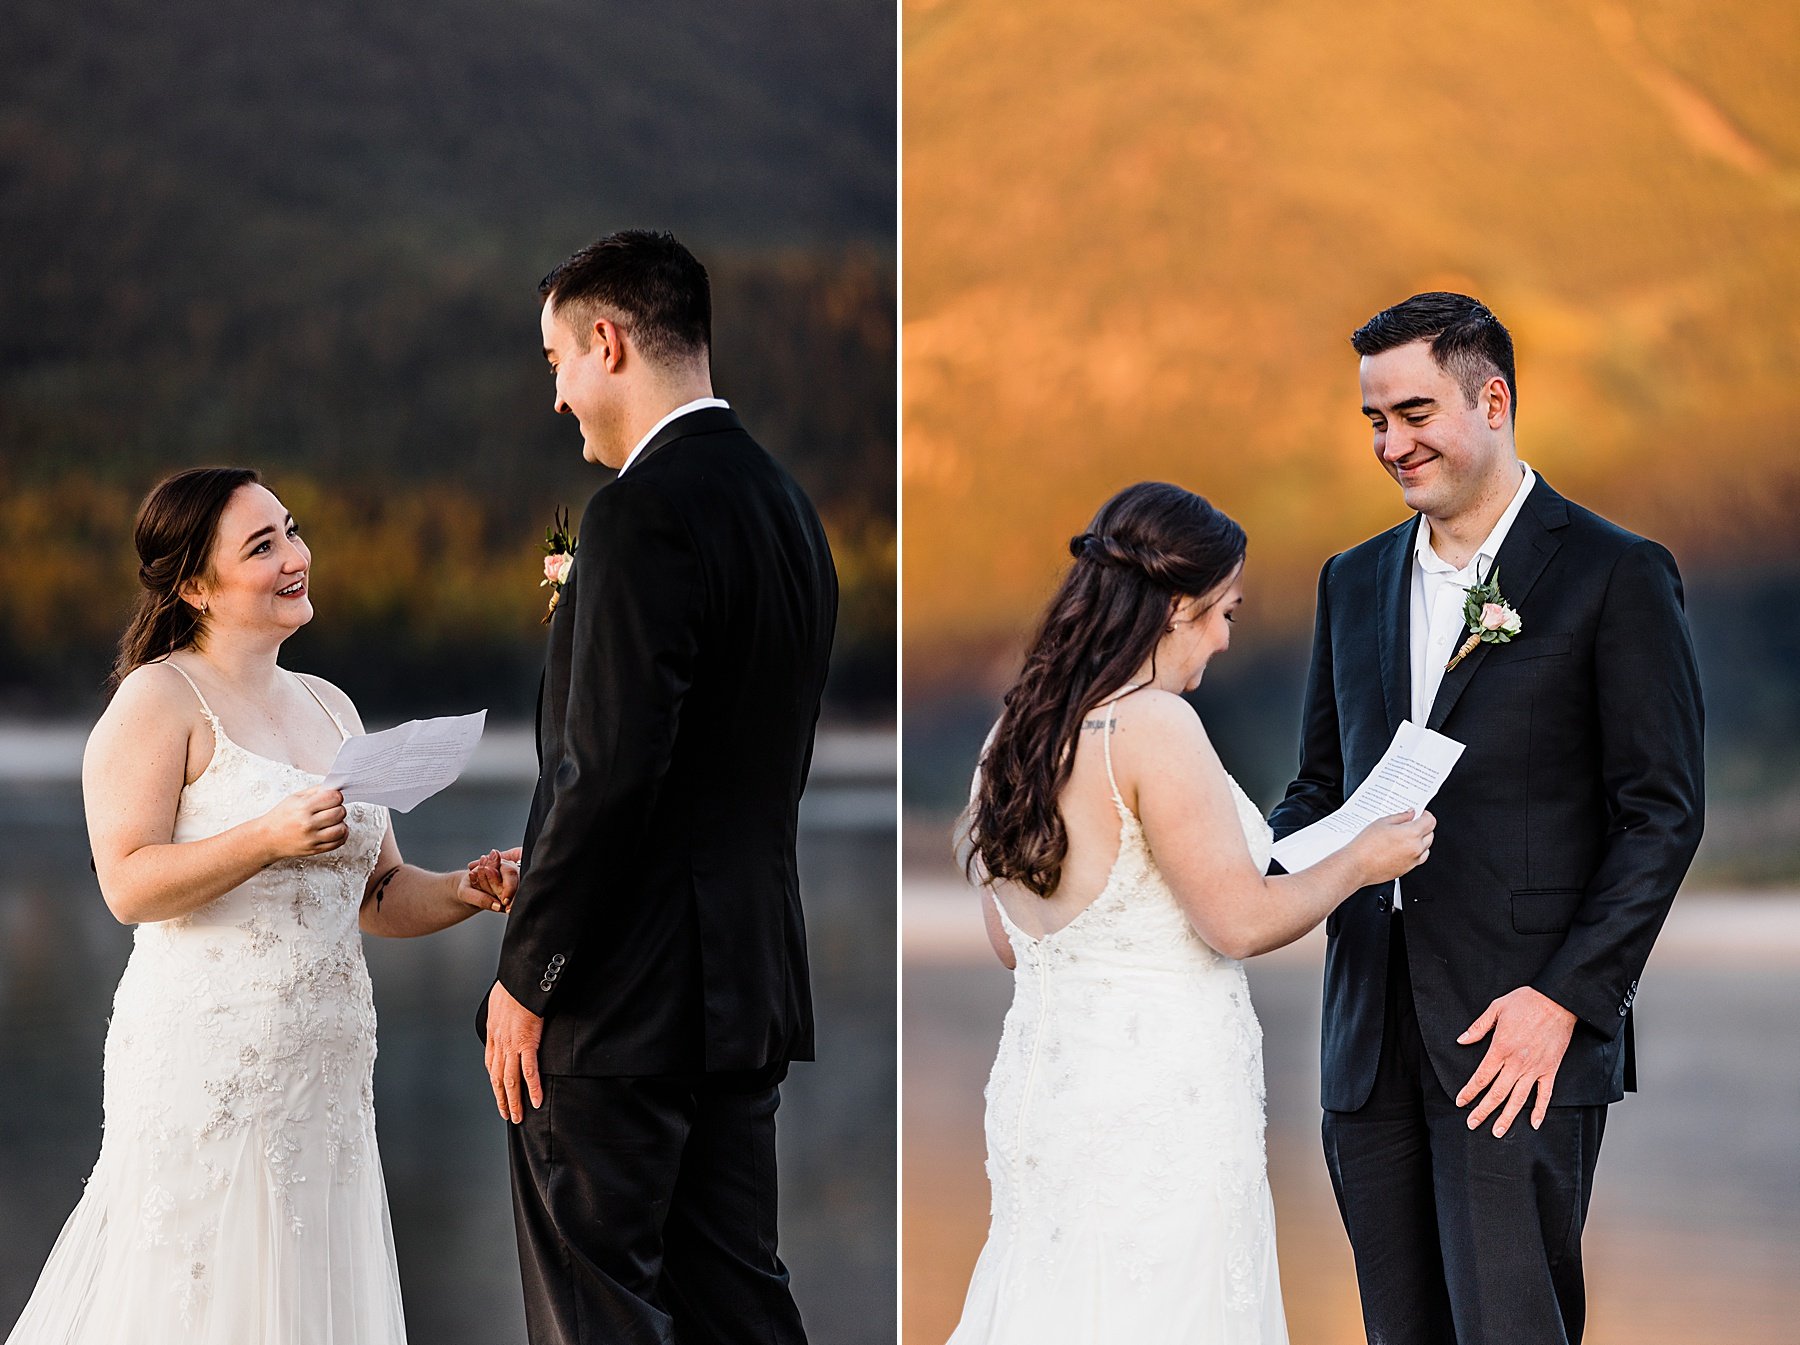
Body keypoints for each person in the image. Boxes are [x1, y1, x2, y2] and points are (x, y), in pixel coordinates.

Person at [1269, 292, 1705, 1345]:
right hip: (1366, 1039)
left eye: (1413, 413)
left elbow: (1662, 814)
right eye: (1374, 419)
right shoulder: (1351, 581)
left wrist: (1563, 1001)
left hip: (1519, 1043)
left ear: (1494, 399)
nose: (1391, 443)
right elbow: (1318, 787)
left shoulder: (1615, 572)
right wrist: (1249, 869)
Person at [4, 466, 515, 1345]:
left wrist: (467, 890)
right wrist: (266, 839)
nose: (296, 556)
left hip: (326, 1083)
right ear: (195, 585)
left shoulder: (332, 704)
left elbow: (379, 893)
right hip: (209, 1069)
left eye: (292, 530)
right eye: (263, 544)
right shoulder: (159, 699)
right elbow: (126, 884)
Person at [946, 482, 1434, 1344]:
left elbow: (1014, 943)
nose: (1222, 639)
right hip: (1159, 1107)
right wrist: (1363, 860)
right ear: (1176, 606)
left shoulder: (1013, 736)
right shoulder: (1153, 726)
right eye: (1224, 613)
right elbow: (1238, 923)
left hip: (1046, 1097)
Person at [477, 230, 837, 1345]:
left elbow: (608, 767)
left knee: (601, 1312)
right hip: (743, 989)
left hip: (621, 1001)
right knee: (741, 1305)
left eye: (556, 364)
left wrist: (530, 974)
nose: (557, 398)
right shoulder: (786, 509)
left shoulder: (636, 514)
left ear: (608, 339)